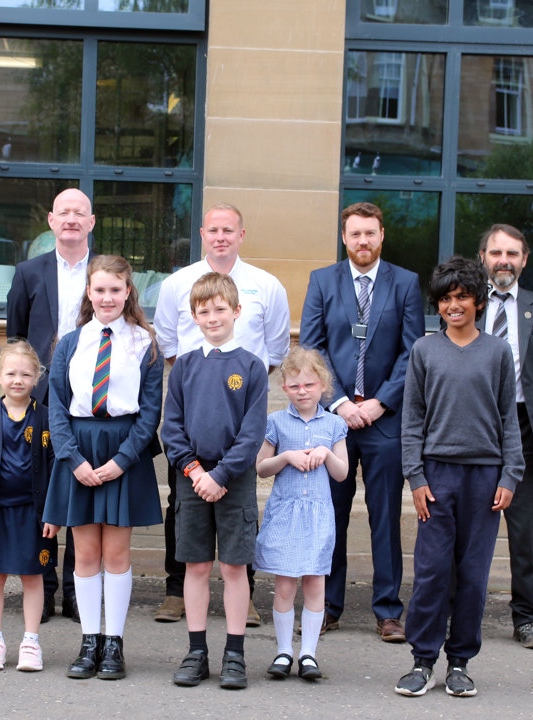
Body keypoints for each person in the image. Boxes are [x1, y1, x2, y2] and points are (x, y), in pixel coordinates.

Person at [152, 202, 291, 627]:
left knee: (238, 526)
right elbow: (168, 342)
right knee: (182, 510)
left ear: (241, 234)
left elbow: (276, 348)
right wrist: (202, 380)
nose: (221, 237)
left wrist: (235, 383)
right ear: (202, 234)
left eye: (229, 230)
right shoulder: (177, 284)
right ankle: (176, 591)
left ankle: (243, 598)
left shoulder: (266, 285)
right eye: (213, 230)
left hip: (237, 423)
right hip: (193, 422)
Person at [394, 256, 523, 698]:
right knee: (432, 572)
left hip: (485, 479)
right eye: (447, 298)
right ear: (438, 304)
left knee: (472, 575)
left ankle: (460, 663)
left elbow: (508, 419)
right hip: (436, 477)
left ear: (478, 302)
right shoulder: (424, 350)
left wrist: (510, 475)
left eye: (463, 297)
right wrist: (416, 478)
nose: (454, 305)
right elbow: (412, 419)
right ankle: (422, 660)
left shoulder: (497, 352)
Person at [299, 201, 424, 642]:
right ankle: (327, 606)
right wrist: (339, 404)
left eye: (370, 233)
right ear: (344, 237)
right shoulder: (322, 281)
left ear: (381, 235)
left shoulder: (405, 283)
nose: (363, 241)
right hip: (333, 422)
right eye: (355, 234)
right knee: (330, 514)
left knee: (385, 517)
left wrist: (379, 403)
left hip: (383, 422)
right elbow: (312, 349)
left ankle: (388, 612)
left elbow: (412, 351)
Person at [42, 255, 164, 681]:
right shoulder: (69, 343)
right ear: (89, 293)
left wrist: (122, 461)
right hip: (79, 448)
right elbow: (57, 406)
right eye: (100, 290)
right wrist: (72, 459)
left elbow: (150, 412)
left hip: (123, 449)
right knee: (86, 553)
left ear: (128, 291)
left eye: (115, 289)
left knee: (115, 554)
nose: (107, 297)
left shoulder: (145, 343)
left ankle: (114, 642)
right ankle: (89, 640)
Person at [160, 272, 269, 690]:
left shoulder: (252, 367)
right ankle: (196, 652)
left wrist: (221, 474)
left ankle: (235, 654)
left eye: (220, 309)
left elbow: (252, 433)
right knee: (197, 565)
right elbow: (172, 429)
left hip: (234, 478)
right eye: (203, 311)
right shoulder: (184, 367)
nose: (212, 317)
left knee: (234, 565)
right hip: (192, 478)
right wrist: (196, 472)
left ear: (237, 311)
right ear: (193, 316)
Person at [6, 188, 92, 622]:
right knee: (40, 493)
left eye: (80, 212)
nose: (71, 219)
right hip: (39, 396)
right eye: (64, 212)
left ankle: (76, 591)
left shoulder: (106, 271)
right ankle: (43, 588)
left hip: (90, 396)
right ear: (51, 220)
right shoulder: (29, 272)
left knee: (81, 491)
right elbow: (16, 336)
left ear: (91, 222)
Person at [478, 223, 533, 650]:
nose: (504, 261)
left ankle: (528, 619)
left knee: (524, 532)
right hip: (475, 428)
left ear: (525, 260)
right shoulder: (467, 304)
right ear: (483, 258)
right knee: (467, 529)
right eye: (496, 253)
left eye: (512, 253)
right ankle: (459, 612)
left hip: (524, 429)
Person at [253, 347, 349, 682]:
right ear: (285, 388)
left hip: (318, 516)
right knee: (284, 585)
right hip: (285, 512)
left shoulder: (334, 424)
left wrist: (325, 453)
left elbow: (341, 473)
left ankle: (308, 653)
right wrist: (286, 458)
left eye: (309, 385)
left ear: (323, 385)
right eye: (294, 386)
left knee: (315, 583)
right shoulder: (276, 422)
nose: (302, 391)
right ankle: (283, 651)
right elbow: (261, 468)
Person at [0, 341, 55, 672]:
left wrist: (53, 513)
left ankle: (31, 642)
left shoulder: (46, 418)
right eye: (11, 373)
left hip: (34, 516)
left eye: (26, 374)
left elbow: (55, 470)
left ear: (37, 378)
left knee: (33, 577)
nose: (18, 380)